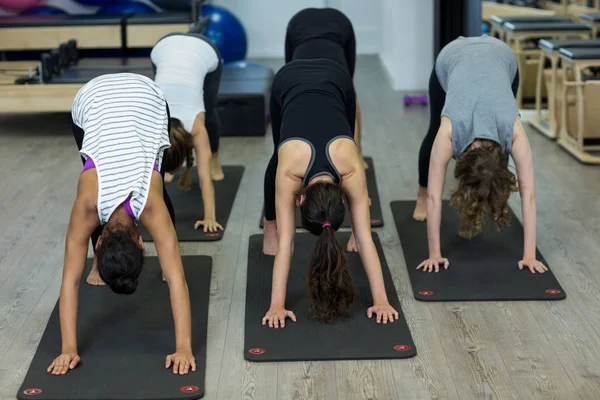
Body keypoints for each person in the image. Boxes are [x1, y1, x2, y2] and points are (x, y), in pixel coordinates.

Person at [47, 73, 195, 376]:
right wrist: (183, 347)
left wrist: (69, 350)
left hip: (139, 96)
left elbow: (69, 283)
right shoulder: (89, 207)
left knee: (154, 182)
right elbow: (176, 280)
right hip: (99, 95)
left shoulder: (136, 206)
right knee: (151, 182)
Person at [261, 55, 398, 328]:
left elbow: (288, 242)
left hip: (330, 77)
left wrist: (277, 305)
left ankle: (270, 225)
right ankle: (268, 225)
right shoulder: (344, 167)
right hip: (300, 78)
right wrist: (380, 300)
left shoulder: (298, 172)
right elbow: (364, 238)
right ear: (301, 200)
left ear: (300, 200)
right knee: (278, 151)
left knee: (282, 151)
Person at [412, 35, 547, 275]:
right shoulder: (449, 132)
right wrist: (434, 253)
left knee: (490, 171)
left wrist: (530, 254)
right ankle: (417, 195)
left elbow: (530, 195)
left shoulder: (512, 130)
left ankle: (493, 189)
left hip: (501, 57)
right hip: (452, 56)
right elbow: (434, 197)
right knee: (433, 129)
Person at [150, 32, 224, 234]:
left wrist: (210, 216)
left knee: (209, 111)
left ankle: (215, 159)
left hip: (204, 50)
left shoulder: (197, 127)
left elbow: (204, 178)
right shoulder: (151, 121)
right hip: (163, 47)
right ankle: (168, 169)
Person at [285, 7, 367, 169]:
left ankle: (358, 153)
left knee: (348, 91)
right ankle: (357, 154)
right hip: (303, 25)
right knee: (348, 92)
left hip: (337, 25)